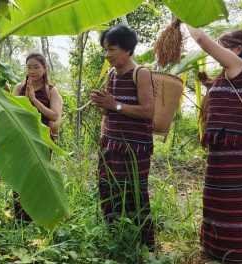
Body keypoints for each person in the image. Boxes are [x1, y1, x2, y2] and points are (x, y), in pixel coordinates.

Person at [186, 25, 242, 263]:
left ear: (238, 49)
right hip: (225, 146)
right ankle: (214, 248)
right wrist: (209, 83)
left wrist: (185, 16)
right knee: (217, 198)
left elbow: (201, 38)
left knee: (230, 202)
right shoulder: (234, 71)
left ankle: (232, 255)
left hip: (234, 148)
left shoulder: (238, 65)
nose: (219, 52)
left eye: (225, 47)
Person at [89, 25, 156, 251]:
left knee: (134, 193)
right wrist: (103, 105)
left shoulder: (141, 73)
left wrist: (114, 104)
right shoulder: (111, 75)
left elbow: (148, 111)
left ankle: (143, 245)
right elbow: (109, 113)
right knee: (109, 190)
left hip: (134, 147)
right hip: (110, 144)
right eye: (105, 50)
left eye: (112, 49)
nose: (107, 55)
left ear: (127, 50)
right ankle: (117, 238)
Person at [12, 52, 61, 221]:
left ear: (45, 69)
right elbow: (12, 112)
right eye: (29, 67)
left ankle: (39, 216)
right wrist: (24, 100)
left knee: (39, 177)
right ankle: (20, 217)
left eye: (36, 67)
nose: (32, 71)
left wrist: (33, 100)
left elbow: (54, 116)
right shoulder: (19, 87)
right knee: (21, 177)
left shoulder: (51, 90)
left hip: (43, 139)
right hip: (22, 137)